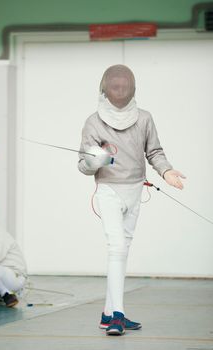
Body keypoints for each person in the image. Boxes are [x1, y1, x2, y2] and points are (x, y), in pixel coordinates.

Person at [78, 64, 185, 336]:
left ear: (132, 88)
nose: (120, 90)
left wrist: (167, 170)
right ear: (105, 88)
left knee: (122, 248)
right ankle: (118, 315)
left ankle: (106, 313)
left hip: (136, 188)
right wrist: (94, 161)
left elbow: (155, 151)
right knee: (116, 247)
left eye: (124, 86)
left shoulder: (144, 118)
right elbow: (82, 164)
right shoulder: (94, 121)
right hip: (109, 190)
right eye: (115, 86)